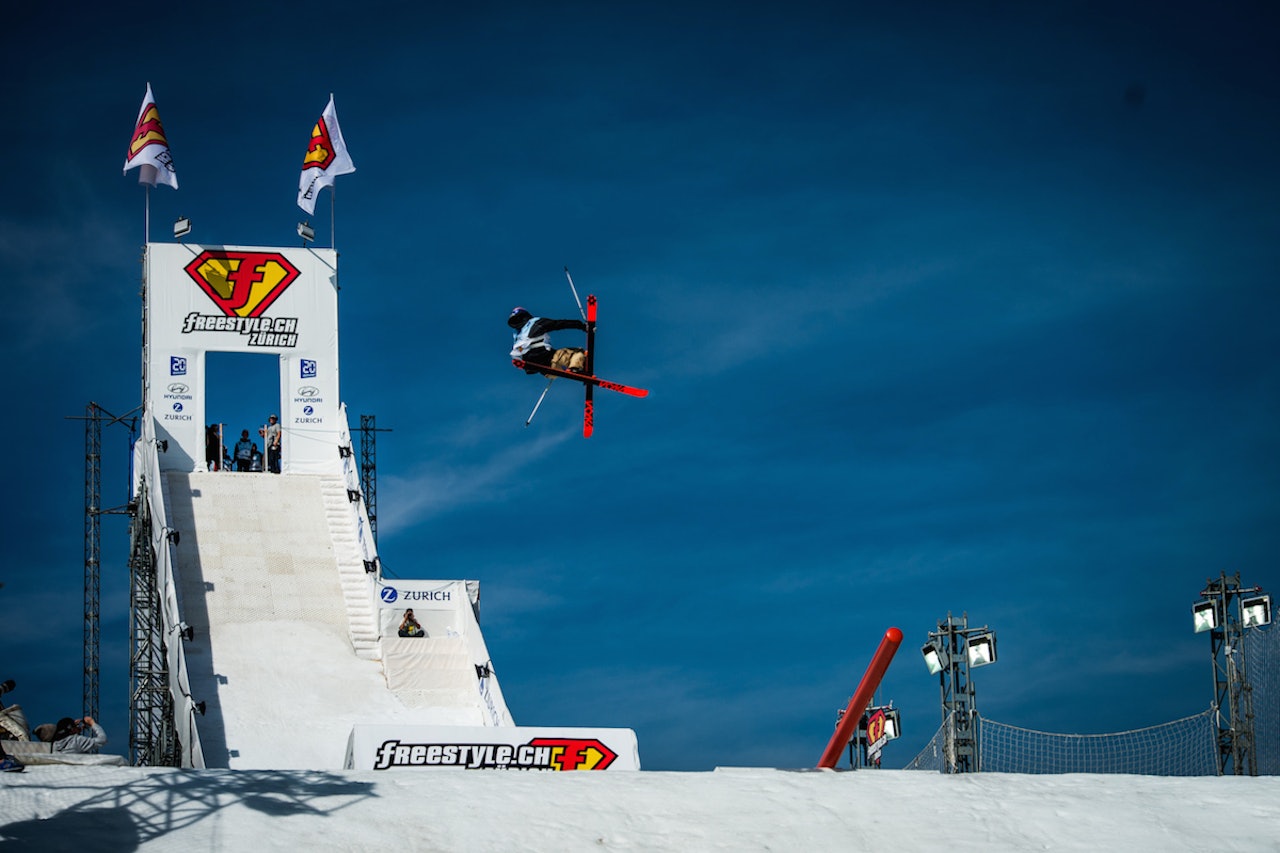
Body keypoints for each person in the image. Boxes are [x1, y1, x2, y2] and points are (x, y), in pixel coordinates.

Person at [508, 307, 588, 374]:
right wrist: (581, 325)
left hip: (538, 367)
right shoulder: (535, 322)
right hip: (545, 357)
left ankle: (574, 369)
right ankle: (576, 369)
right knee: (578, 353)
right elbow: (558, 324)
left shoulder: (517, 335)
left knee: (558, 360)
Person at [39, 716, 108, 755]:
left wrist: (75, 728)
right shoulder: (77, 741)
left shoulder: (55, 745)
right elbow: (102, 740)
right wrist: (92, 723)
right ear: (71, 729)